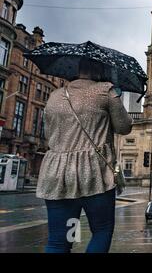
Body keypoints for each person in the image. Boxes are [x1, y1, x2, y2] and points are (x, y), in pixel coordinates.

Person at [36, 59, 133, 253]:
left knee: (57, 241)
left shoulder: (55, 95)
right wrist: (116, 97)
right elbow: (124, 127)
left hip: (57, 172)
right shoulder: (106, 91)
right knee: (101, 231)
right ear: (100, 71)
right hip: (94, 172)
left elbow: (47, 134)